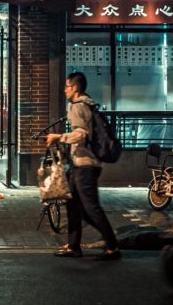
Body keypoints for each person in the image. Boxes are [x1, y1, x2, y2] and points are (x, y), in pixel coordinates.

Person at [45, 72, 120, 260]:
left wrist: (58, 137)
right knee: (73, 205)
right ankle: (73, 246)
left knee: (90, 208)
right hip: (82, 163)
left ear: (74, 88)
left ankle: (112, 245)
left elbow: (81, 134)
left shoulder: (77, 106)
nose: (64, 90)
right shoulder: (90, 104)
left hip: (85, 164)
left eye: (66, 87)